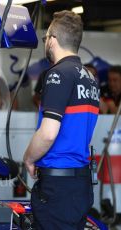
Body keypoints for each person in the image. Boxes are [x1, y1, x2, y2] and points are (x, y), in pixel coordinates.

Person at [23, 11, 99, 229]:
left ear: (53, 39)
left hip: (58, 187)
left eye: (46, 38)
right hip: (80, 185)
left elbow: (48, 133)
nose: (45, 42)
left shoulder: (58, 74)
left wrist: (28, 159)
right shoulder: (90, 78)